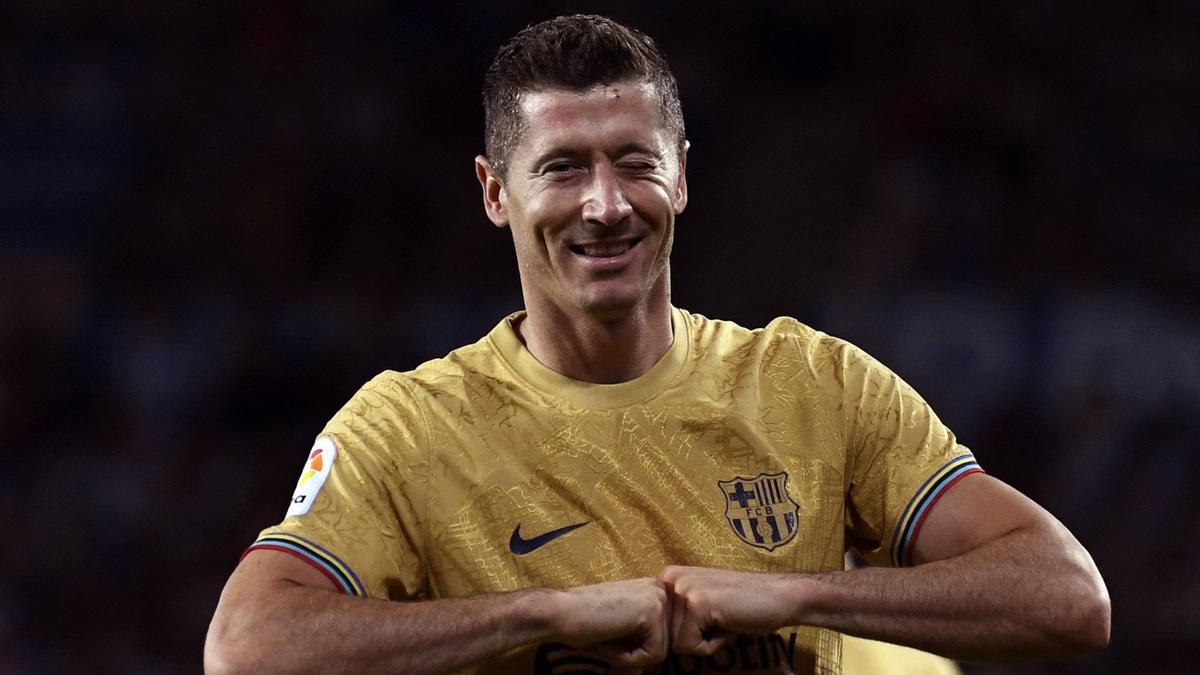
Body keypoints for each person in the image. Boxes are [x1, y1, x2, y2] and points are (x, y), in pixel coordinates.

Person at [205, 14, 1110, 675]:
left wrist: (801, 594)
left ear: (680, 177)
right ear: (493, 192)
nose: (606, 204)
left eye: (635, 161)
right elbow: (247, 648)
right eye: (561, 167)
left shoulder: (815, 382)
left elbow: (1068, 595)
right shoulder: (408, 428)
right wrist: (542, 614)